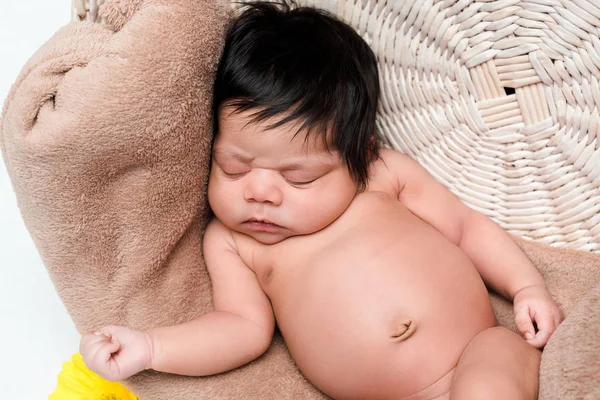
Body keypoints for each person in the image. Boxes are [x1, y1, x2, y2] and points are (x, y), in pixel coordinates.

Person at [80, 1, 563, 398]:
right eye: (235, 167)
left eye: (300, 178)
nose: (260, 192)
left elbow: (467, 228)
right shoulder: (233, 242)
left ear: (361, 153)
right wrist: (149, 347)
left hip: (478, 355)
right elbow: (240, 328)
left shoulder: (382, 176)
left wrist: (526, 289)